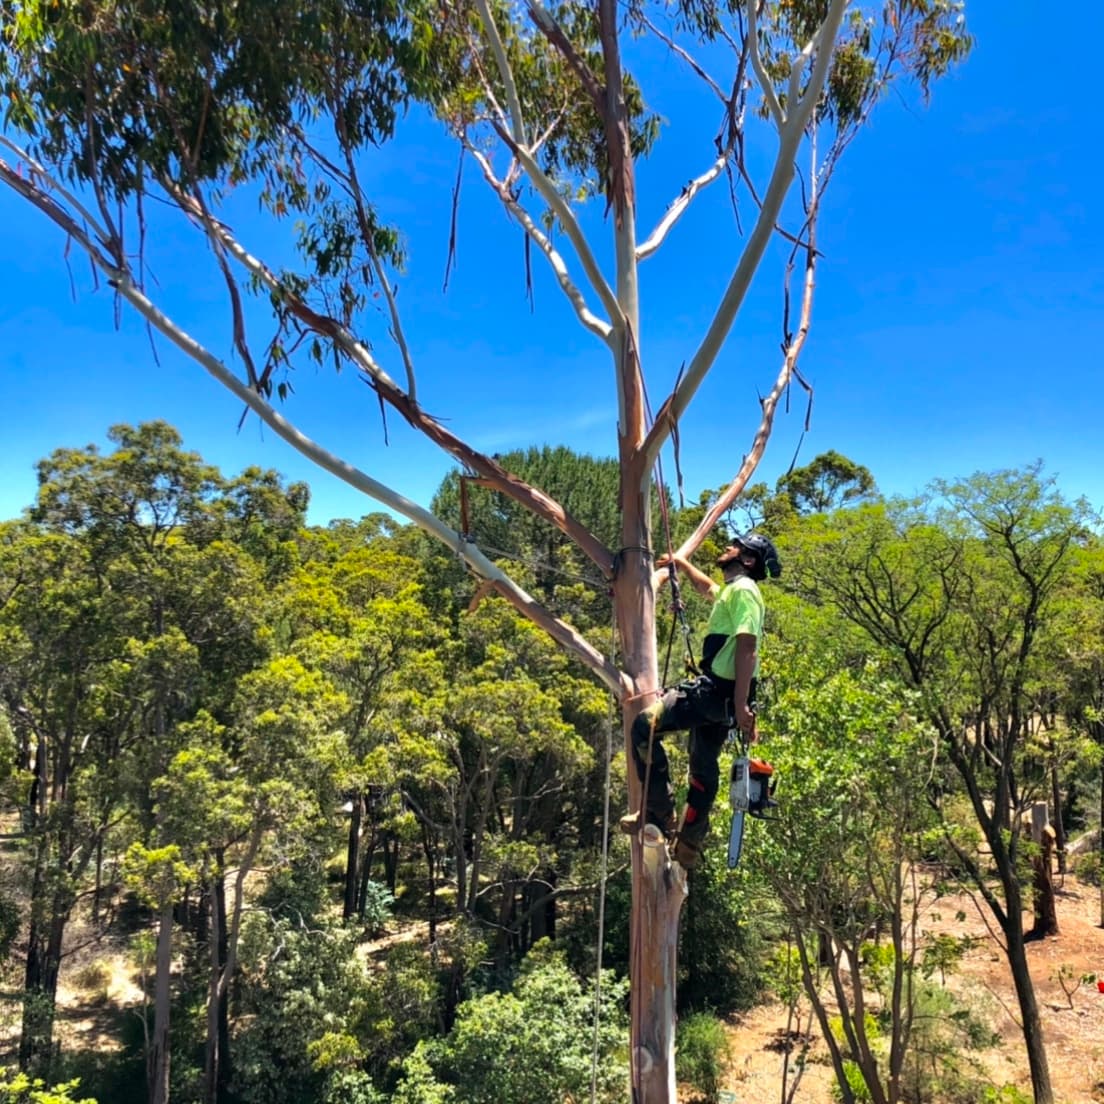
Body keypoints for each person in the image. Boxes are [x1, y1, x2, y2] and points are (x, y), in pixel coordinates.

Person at [621, 532, 782, 868]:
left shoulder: (745, 592)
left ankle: (656, 812)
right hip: (722, 701)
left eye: (736, 547)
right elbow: (708, 589)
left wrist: (740, 706)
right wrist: (682, 564)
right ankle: (689, 843)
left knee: (643, 727)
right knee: (703, 770)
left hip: (716, 694)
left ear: (748, 560)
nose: (728, 547)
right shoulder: (735, 591)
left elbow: (747, 646)